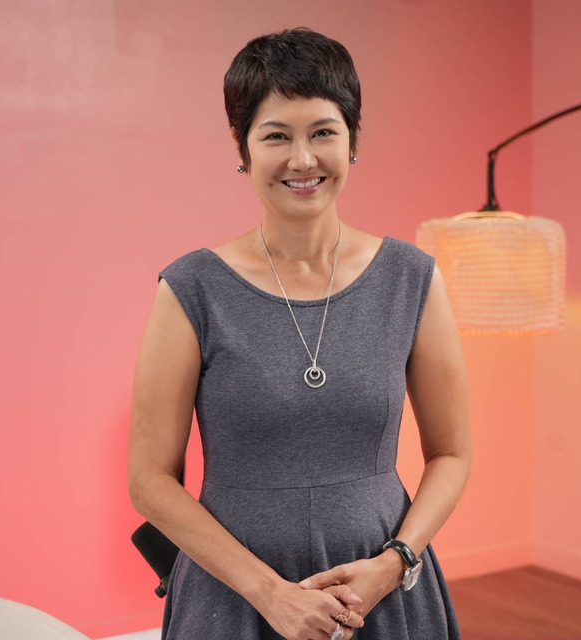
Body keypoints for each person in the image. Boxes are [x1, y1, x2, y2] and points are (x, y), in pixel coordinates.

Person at [128, 27, 471, 640]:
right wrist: (271, 595)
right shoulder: (190, 289)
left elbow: (452, 453)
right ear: (242, 147)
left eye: (323, 132)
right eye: (276, 136)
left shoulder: (412, 279)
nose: (303, 159)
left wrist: (395, 564)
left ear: (352, 140)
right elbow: (150, 480)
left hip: (384, 594)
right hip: (233, 599)